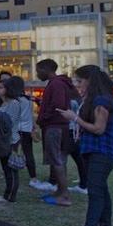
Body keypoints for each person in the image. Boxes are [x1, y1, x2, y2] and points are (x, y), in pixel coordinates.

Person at [58, 65, 113, 226]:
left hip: (102, 152)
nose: (77, 85)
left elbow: (99, 129)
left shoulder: (101, 101)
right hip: (96, 151)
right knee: (101, 188)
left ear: (89, 81)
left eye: (79, 81)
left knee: (95, 192)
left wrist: (74, 118)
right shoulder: (95, 99)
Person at [35, 59, 78, 206]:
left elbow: (58, 106)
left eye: (38, 70)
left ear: (46, 69)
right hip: (57, 126)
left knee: (57, 160)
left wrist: (43, 117)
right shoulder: (57, 83)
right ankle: (60, 190)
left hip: (55, 127)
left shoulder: (56, 84)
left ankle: (64, 195)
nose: (37, 74)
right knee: (59, 160)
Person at [0, 76, 33, 203]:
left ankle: (10, 195)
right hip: (4, 140)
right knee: (6, 168)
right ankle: (9, 194)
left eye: (1, 87)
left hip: (11, 140)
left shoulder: (14, 103)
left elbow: (8, 122)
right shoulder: (4, 103)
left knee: (10, 168)